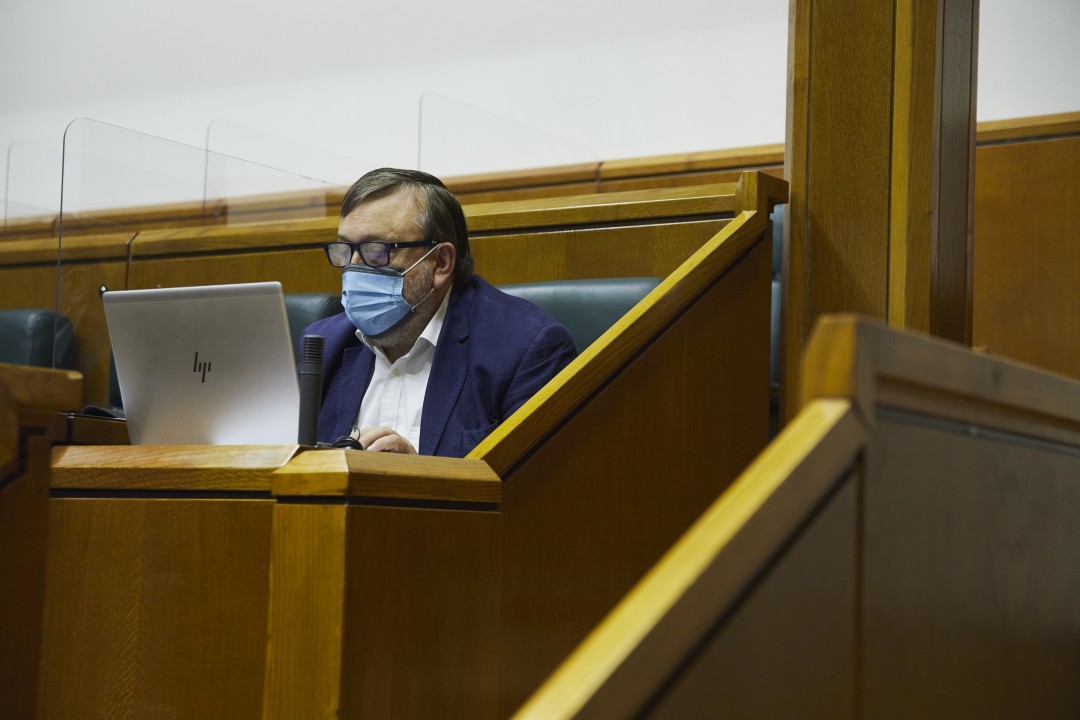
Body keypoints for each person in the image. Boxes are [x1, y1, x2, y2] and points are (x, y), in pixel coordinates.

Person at [304, 168, 577, 457]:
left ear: (441, 262)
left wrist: (419, 474)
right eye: (345, 249)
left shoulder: (525, 349)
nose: (354, 268)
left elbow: (529, 481)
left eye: (377, 251)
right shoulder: (323, 345)